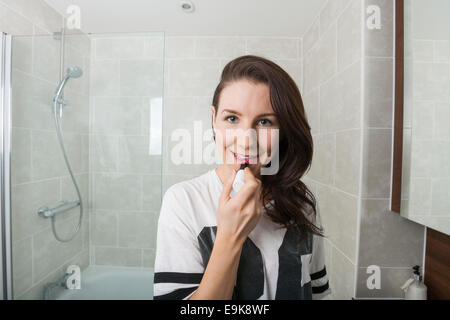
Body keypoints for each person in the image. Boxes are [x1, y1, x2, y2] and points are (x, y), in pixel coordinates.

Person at [153, 55, 331, 300]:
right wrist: (229, 236)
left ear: (284, 132)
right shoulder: (183, 201)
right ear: (214, 119)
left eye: (265, 121)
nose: (246, 139)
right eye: (232, 118)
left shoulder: (302, 201)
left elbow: (319, 292)